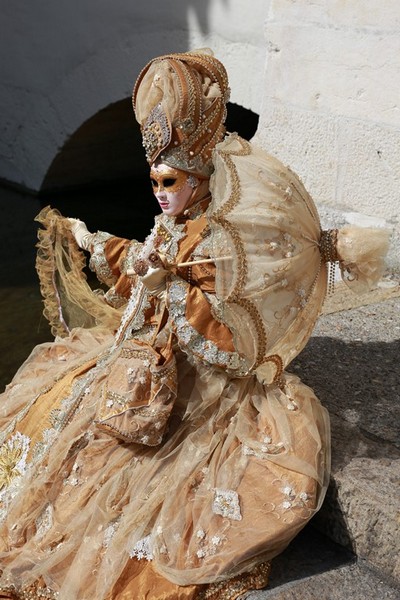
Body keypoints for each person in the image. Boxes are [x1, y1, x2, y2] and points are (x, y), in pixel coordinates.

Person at [0, 50, 388, 600]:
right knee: (56, 407)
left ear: (199, 177)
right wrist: (103, 247)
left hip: (197, 382)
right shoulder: (174, 221)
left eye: (169, 180)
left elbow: (227, 342)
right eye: (153, 181)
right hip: (144, 358)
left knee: (129, 469)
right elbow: (148, 262)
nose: (159, 193)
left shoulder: (217, 241)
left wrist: (174, 290)